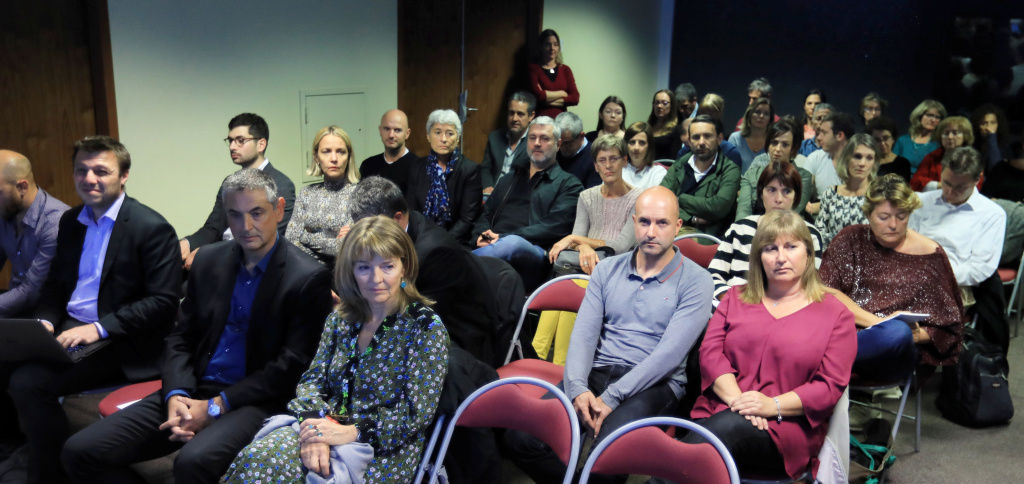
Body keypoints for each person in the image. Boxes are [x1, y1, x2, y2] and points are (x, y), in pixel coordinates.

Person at [61, 169, 332, 483]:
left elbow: (290, 367)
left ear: (279, 209)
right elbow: (181, 338)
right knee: (78, 451)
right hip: (193, 387)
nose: (245, 226)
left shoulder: (308, 277)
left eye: (257, 213)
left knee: (192, 462)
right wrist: (176, 393)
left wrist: (217, 406)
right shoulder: (208, 261)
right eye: (235, 214)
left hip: (254, 400)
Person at [505, 186, 712, 484]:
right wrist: (577, 388)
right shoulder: (606, 270)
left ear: (678, 226)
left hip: (654, 383)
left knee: (608, 454)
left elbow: (669, 356)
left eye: (662, 223)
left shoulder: (697, 280)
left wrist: (612, 397)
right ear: (633, 221)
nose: (651, 231)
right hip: (596, 373)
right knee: (522, 439)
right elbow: (584, 335)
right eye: (644, 222)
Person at [223, 216, 449, 484]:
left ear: (405, 267)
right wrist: (313, 430)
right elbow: (312, 381)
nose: (376, 279)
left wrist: (351, 432)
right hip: (323, 424)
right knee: (258, 462)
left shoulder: (425, 328)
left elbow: (416, 414)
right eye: (364, 267)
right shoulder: (341, 318)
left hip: (385, 447)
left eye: (387, 266)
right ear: (350, 270)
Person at [6, 136, 180, 483]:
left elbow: (163, 302)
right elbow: (56, 286)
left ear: (124, 175)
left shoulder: (151, 228)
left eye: (101, 171)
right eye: (81, 171)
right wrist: (44, 321)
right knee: (4, 362)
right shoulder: (71, 222)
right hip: (70, 326)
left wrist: (98, 328)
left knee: (29, 382)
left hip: (118, 338)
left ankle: (50, 473)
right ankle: (26, 449)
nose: (89, 179)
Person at [687, 209, 855, 480]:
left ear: (809, 254)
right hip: (723, 408)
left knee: (716, 435)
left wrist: (771, 405)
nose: (780, 257)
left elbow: (829, 386)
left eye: (791, 246)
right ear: (758, 258)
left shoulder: (836, 315)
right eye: (770, 248)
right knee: (716, 431)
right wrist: (740, 403)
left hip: (786, 429)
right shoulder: (734, 298)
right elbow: (709, 353)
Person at [821, 174, 964, 381]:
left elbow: (950, 328)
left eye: (901, 215)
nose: (894, 224)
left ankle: (817, 361)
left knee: (896, 333)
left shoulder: (930, 254)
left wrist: (914, 335)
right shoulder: (850, 238)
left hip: (892, 350)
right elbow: (823, 290)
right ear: (868, 215)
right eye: (884, 217)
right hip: (845, 333)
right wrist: (877, 322)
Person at [350, 176, 496, 364]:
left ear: (397, 219)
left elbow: (417, 322)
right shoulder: (408, 224)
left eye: (371, 228)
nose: (364, 237)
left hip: (455, 346)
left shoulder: (433, 253)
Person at [910, 146, 1008, 353]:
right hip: (911, 276)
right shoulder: (920, 202)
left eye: (960, 187)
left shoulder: (991, 214)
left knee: (901, 321)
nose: (950, 192)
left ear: (977, 179)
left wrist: (936, 274)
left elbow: (979, 270)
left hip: (955, 284)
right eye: (946, 183)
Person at [473, 117, 583, 289]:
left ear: (558, 144)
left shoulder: (569, 184)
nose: (537, 143)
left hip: (535, 254)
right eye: (532, 138)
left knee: (513, 243)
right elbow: (486, 214)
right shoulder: (509, 179)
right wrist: (484, 236)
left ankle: (461, 264)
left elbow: (553, 227)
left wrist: (501, 238)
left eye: (545, 138)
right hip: (494, 246)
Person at [180, 113, 296, 270]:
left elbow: (265, 239)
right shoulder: (230, 182)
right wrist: (187, 243)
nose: (232, 147)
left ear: (261, 144)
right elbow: (213, 228)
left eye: (240, 141)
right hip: (220, 256)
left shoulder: (281, 184)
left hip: (248, 265)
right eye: (230, 140)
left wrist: (209, 253)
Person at [712, 162, 823, 300]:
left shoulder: (810, 234)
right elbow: (713, 277)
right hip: (733, 304)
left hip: (785, 308)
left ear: (796, 196)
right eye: (771, 190)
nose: (778, 199)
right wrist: (735, 303)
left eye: (787, 191)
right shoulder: (739, 229)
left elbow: (810, 285)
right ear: (761, 193)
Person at [548, 135, 642, 275]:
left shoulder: (639, 198)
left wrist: (575, 239)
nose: (608, 165)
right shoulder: (586, 197)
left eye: (613, 159)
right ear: (596, 167)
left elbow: (620, 247)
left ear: (624, 161)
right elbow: (577, 242)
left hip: (622, 267)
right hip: (585, 265)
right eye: (602, 160)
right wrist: (583, 247)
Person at [0, 150, 69, 317]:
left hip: (48, 315)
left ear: (22, 187)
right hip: (14, 307)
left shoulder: (56, 222)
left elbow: (31, 291)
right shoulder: (5, 211)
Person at [284, 125, 360, 267]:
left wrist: (304, 236)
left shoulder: (359, 195)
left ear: (348, 156)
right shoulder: (306, 192)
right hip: (306, 276)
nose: (333, 158)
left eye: (340, 152)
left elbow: (344, 248)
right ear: (316, 157)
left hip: (343, 278)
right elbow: (290, 241)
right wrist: (331, 243)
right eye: (326, 151)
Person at [407, 109, 483, 242]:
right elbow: (412, 211)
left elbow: (467, 220)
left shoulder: (470, 170)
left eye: (450, 133)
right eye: (437, 132)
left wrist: (441, 241)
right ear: (428, 136)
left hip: (456, 241)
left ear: (458, 137)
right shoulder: (416, 167)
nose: (443, 139)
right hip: (421, 238)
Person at [660, 115, 740, 238]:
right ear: (690, 141)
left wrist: (679, 199)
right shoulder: (680, 165)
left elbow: (717, 207)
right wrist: (692, 218)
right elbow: (662, 200)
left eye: (707, 136)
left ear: (719, 139)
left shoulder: (730, 170)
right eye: (696, 137)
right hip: (670, 230)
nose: (701, 142)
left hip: (704, 237)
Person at [737, 120, 813, 219]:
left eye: (785, 145)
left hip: (789, 228)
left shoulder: (803, 176)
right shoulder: (751, 175)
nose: (778, 149)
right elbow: (743, 211)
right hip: (754, 228)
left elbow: (794, 211)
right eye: (774, 143)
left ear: (793, 149)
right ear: (768, 145)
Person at [816, 134, 880, 248]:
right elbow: (819, 233)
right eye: (857, 156)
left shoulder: (879, 195)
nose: (862, 164)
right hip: (832, 258)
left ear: (874, 163)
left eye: (869, 158)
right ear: (847, 158)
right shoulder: (831, 193)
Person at [481, 91, 536, 194]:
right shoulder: (494, 137)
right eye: (511, 113)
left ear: (531, 116)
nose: (514, 118)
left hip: (517, 196)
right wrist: (488, 185)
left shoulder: (535, 142)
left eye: (520, 114)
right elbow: (485, 168)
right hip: (492, 194)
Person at [804, 112, 855, 217]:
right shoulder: (815, 158)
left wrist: (823, 206)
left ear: (839, 136)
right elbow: (801, 192)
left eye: (824, 133)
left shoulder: (860, 162)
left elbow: (860, 201)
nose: (818, 138)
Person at [359, 109, 418, 193]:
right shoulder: (368, 165)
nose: (391, 135)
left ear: (407, 133)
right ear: (380, 130)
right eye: (387, 129)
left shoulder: (420, 168)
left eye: (397, 130)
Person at [911, 116, 975, 192]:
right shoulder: (932, 156)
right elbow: (915, 182)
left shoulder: (973, 158)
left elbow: (974, 186)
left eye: (955, 133)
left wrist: (932, 185)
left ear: (965, 136)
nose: (950, 137)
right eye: (946, 133)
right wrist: (940, 186)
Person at [529, 29, 579, 119]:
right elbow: (537, 96)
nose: (552, 48)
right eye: (548, 44)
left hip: (562, 122)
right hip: (541, 122)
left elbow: (575, 98)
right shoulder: (534, 68)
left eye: (555, 44)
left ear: (559, 47)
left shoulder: (565, 70)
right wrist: (562, 93)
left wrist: (545, 100)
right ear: (541, 46)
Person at [893, 100, 946, 175]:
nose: (933, 120)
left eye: (937, 117)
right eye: (929, 115)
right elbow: (892, 167)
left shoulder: (939, 145)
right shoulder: (903, 141)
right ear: (919, 116)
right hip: (900, 182)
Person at [728, 97, 773, 174]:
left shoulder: (774, 141)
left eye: (766, 113)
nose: (761, 116)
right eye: (757, 112)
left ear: (770, 119)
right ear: (749, 114)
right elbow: (728, 169)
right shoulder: (735, 138)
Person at [555, 111, 600, 188]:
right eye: (557, 142)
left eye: (566, 143)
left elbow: (592, 196)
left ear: (581, 136)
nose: (559, 147)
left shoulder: (596, 157)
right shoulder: (554, 150)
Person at [621, 121, 668, 190]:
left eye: (642, 143)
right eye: (632, 142)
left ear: (649, 146)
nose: (636, 148)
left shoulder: (658, 172)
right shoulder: (618, 170)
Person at [866, 116, 912, 182]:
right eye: (877, 140)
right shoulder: (866, 163)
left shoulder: (903, 163)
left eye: (886, 138)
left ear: (893, 139)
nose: (882, 143)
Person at [971, 103, 1012, 171]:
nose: (988, 128)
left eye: (993, 123)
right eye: (984, 123)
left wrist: (992, 138)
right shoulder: (972, 146)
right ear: (977, 125)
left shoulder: (1005, 147)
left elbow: (996, 169)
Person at [648, 89, 681, 160]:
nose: (659, 106)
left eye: (664, 103)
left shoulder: (676, 130)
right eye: (656, 102)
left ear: (671, 106)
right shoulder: (648, 127)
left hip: (664, 168)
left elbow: (673, 159)